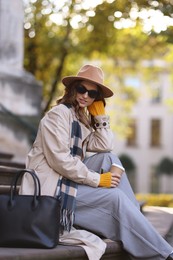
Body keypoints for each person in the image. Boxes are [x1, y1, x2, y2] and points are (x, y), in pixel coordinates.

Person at [20, 64, 173, 260]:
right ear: (72, 89)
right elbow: (61, 161)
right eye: (81, 89)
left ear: (96, 99)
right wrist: (97, 180)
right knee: (115, 197)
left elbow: (104, 145)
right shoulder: (58, 115)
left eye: (92, 94)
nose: (85, 96)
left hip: (66, 181)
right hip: (50, 189)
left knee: (110, 159)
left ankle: (136, 223)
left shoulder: (80, 119)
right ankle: (164, 254)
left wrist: (99, 116)